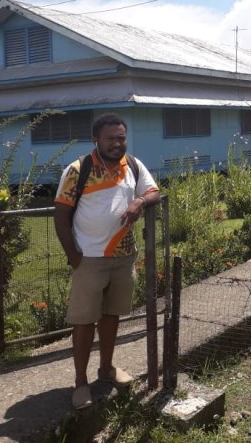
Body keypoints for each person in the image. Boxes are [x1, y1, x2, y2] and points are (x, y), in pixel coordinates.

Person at [54, 113, 160, 410]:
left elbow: (153, 191)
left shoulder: (133, 167)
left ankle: (107, 369)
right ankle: (80, 382)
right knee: (84, 321)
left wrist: (139, 201)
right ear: (96, 140)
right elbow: (61, 217)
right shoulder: (78, 170)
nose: (117, 143)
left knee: (112, 316)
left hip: (123, 257)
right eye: (111, 138)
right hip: (88, 258)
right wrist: (74, 257)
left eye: (121, 137)